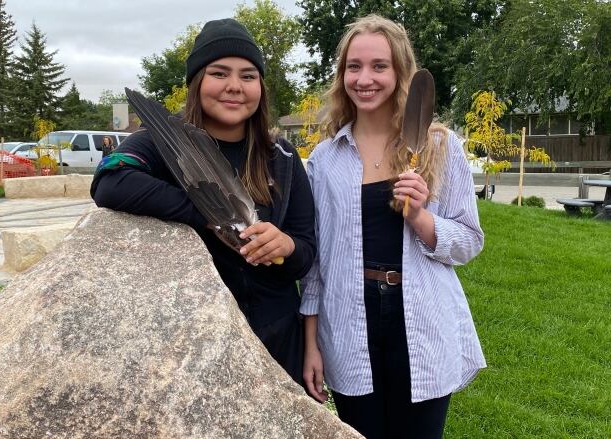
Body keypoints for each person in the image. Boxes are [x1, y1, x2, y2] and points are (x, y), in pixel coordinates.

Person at [91, 18, 316, 385]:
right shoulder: (162, 142)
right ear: (197, 82)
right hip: (192, 342)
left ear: (260, 85)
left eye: (247, 75)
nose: (234, 87)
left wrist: (287, 245)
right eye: (219, 73)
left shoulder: (283, 157)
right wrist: (210, 212)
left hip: (277, 339)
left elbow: (305, 254)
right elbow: (110, 179)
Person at [300, 15, 486, 439]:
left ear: (401, 71)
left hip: (420, 319)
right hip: (348, 323)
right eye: (354, 66)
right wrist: (310, 343)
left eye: (379, 66)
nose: (364, 78)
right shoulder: (326, 159)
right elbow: (317, 263)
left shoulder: (439, 146)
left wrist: (421, 217)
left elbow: (469, 241)